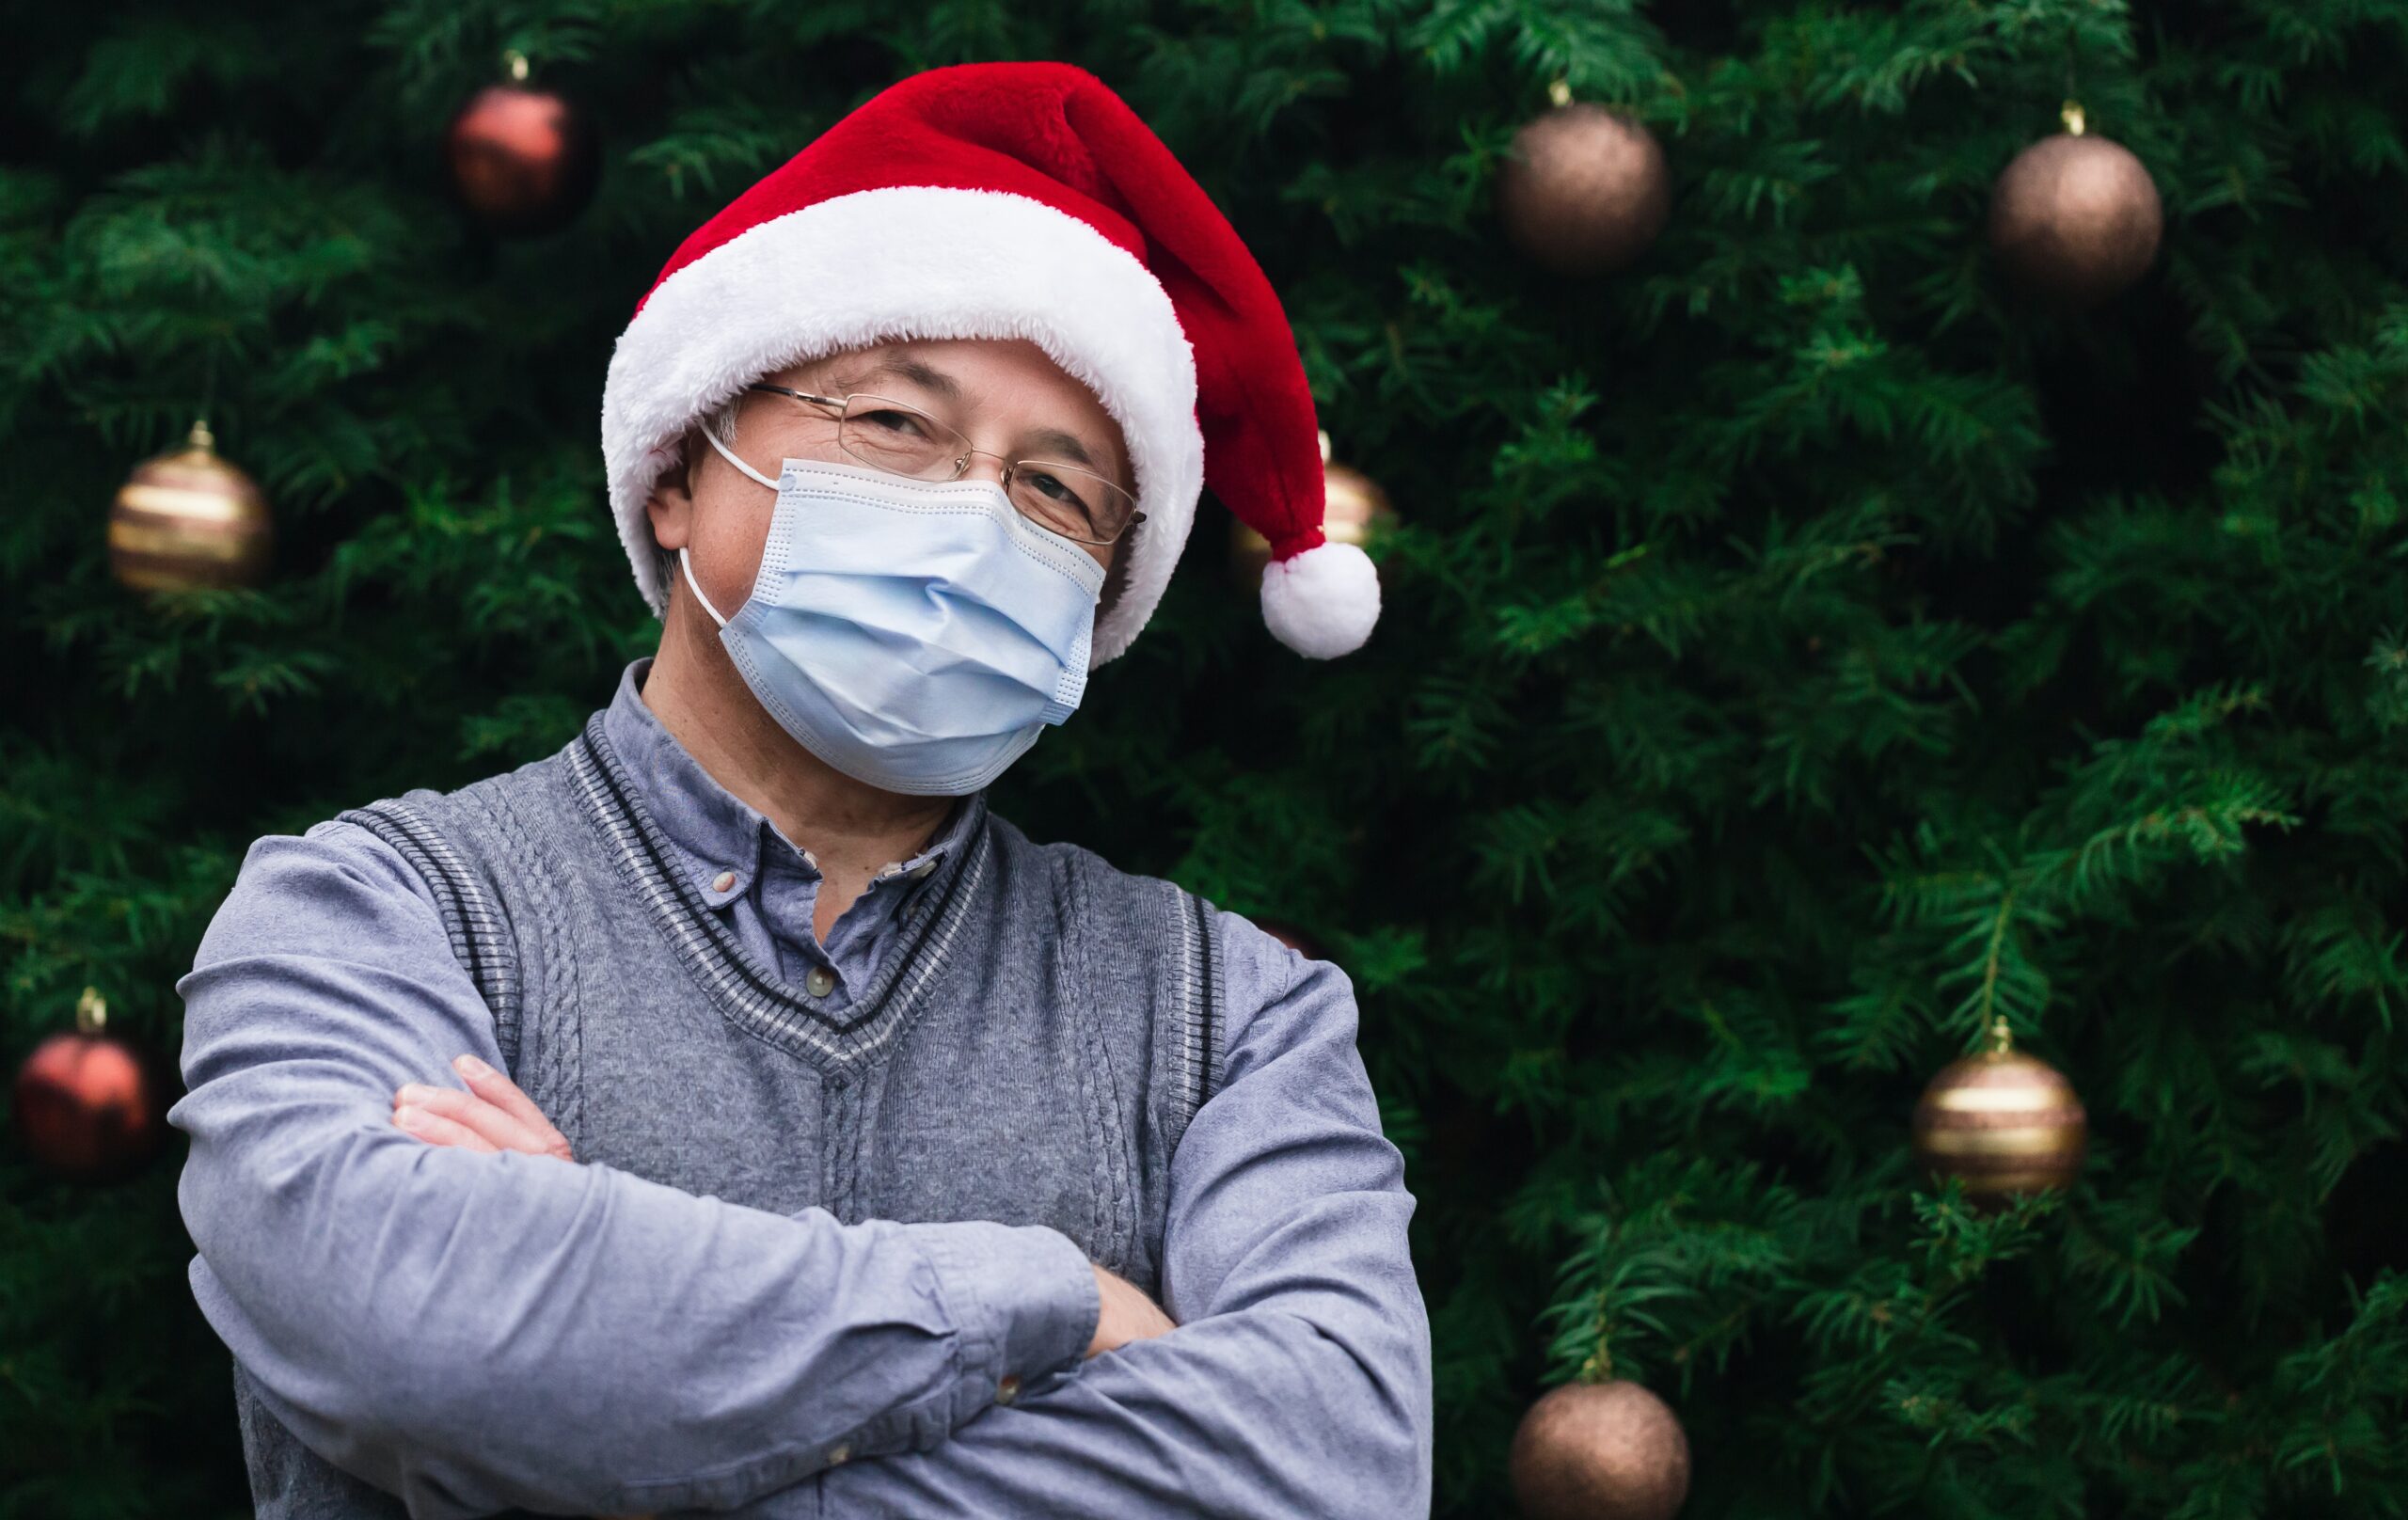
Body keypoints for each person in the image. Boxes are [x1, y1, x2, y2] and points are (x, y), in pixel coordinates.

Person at [168, 59, 1429, 1520]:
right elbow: (402, 1323)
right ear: (676, 470)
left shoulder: (1226, 1019)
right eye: (895, 425)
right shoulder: (373, 914)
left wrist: (595, 1398)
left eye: (1058, 491)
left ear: (1102, 601)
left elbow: (1331, 1471)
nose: (972, 514)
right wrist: (1052, 1304)